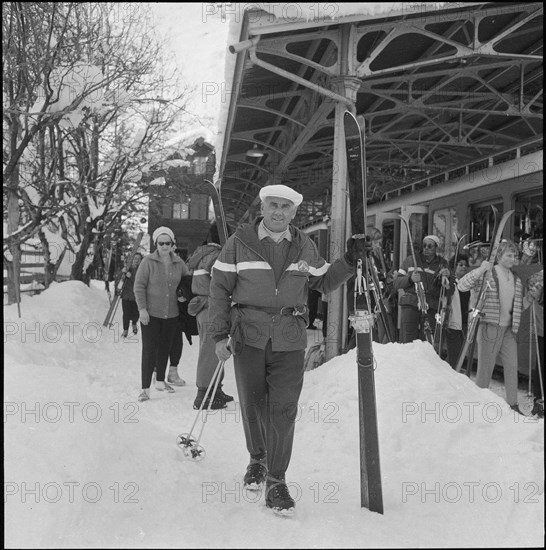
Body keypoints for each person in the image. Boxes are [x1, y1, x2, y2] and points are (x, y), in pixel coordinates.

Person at [209, 184, 367, 515]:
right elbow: (220, 289)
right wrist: (218, 334)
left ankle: (276, 481)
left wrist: (350, 259)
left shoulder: (304, 245)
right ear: (262, 208)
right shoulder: (238, 243)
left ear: (294, 212)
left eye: (286, 206)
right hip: (248, 335)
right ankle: (257, 457)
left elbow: (324, 281)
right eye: (273, 205)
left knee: (283, 409)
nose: (279, 211)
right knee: (253, 404)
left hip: (289, 338)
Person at [457, 241, 525, 413]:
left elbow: (518, 306)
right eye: (509, 255)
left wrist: (530, 298)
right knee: (485, 369)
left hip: (509, 329)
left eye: (514, 255)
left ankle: (513, 405)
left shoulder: (516, 280)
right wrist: (480, 269)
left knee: (511, 367)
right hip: (490, 326)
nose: (513, 259)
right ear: (499, 256)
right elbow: (462, 285)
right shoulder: (488, 273)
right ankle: (479, 404)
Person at [134, 226, 190, 402]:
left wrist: (184, 296)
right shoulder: (148, 262)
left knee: (165, 349)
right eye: (161, 243)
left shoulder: (179, 263)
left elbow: (188, 284)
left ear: (172, 243)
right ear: (156, 243)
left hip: (171, 315)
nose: (164, 246)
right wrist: (142, 309)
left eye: (168, 243)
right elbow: (139, 286)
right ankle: (145, 389)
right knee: (149, 350)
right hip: (150, 314)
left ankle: (160, 381)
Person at [186, 222, 233, 410]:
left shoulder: (202, 253)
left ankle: (215, 389)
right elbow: (221, 283)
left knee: (212, 350)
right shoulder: (216, 257)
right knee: (210, 352)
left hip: (203, 307)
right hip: (212, 307)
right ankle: (204, 395)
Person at [394, 235, 453, 344]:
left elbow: (450, 290)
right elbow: (396, 283)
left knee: (428, 342)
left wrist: (448, 277)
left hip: (431, 306)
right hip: (411, 304)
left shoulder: (442, 264)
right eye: (424, 245)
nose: (426, 248)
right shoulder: (410, 260)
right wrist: (410, 279)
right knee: (408, 341)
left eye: (430, 246)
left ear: (436, 248)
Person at [523, 270, 543, 417]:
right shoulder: (539, 276)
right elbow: (530, 282)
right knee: (541, 367)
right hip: (542, 329)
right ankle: (539, 402)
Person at [444, 254, 470, 368]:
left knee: (460, 354)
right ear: (454, 266)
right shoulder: (450, 282)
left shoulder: (469, 284)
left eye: (465, 265)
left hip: (465, 323)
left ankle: (444, 372)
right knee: (454, 354)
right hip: (453, 323)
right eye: (460, 265)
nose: (464, 267)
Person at [119, 252, 143, 338]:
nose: (136, 260)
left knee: (136, 314)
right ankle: (125, 330)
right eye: (134, 258)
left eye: (138, 259)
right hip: (126, 295)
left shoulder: (142, 270)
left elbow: (139, 282)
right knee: (126, 314)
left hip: (136, 296)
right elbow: (119, 282)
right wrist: (123, 273)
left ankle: (134, 324)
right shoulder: (127, 268)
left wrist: (131, 276)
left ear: (141, 261)